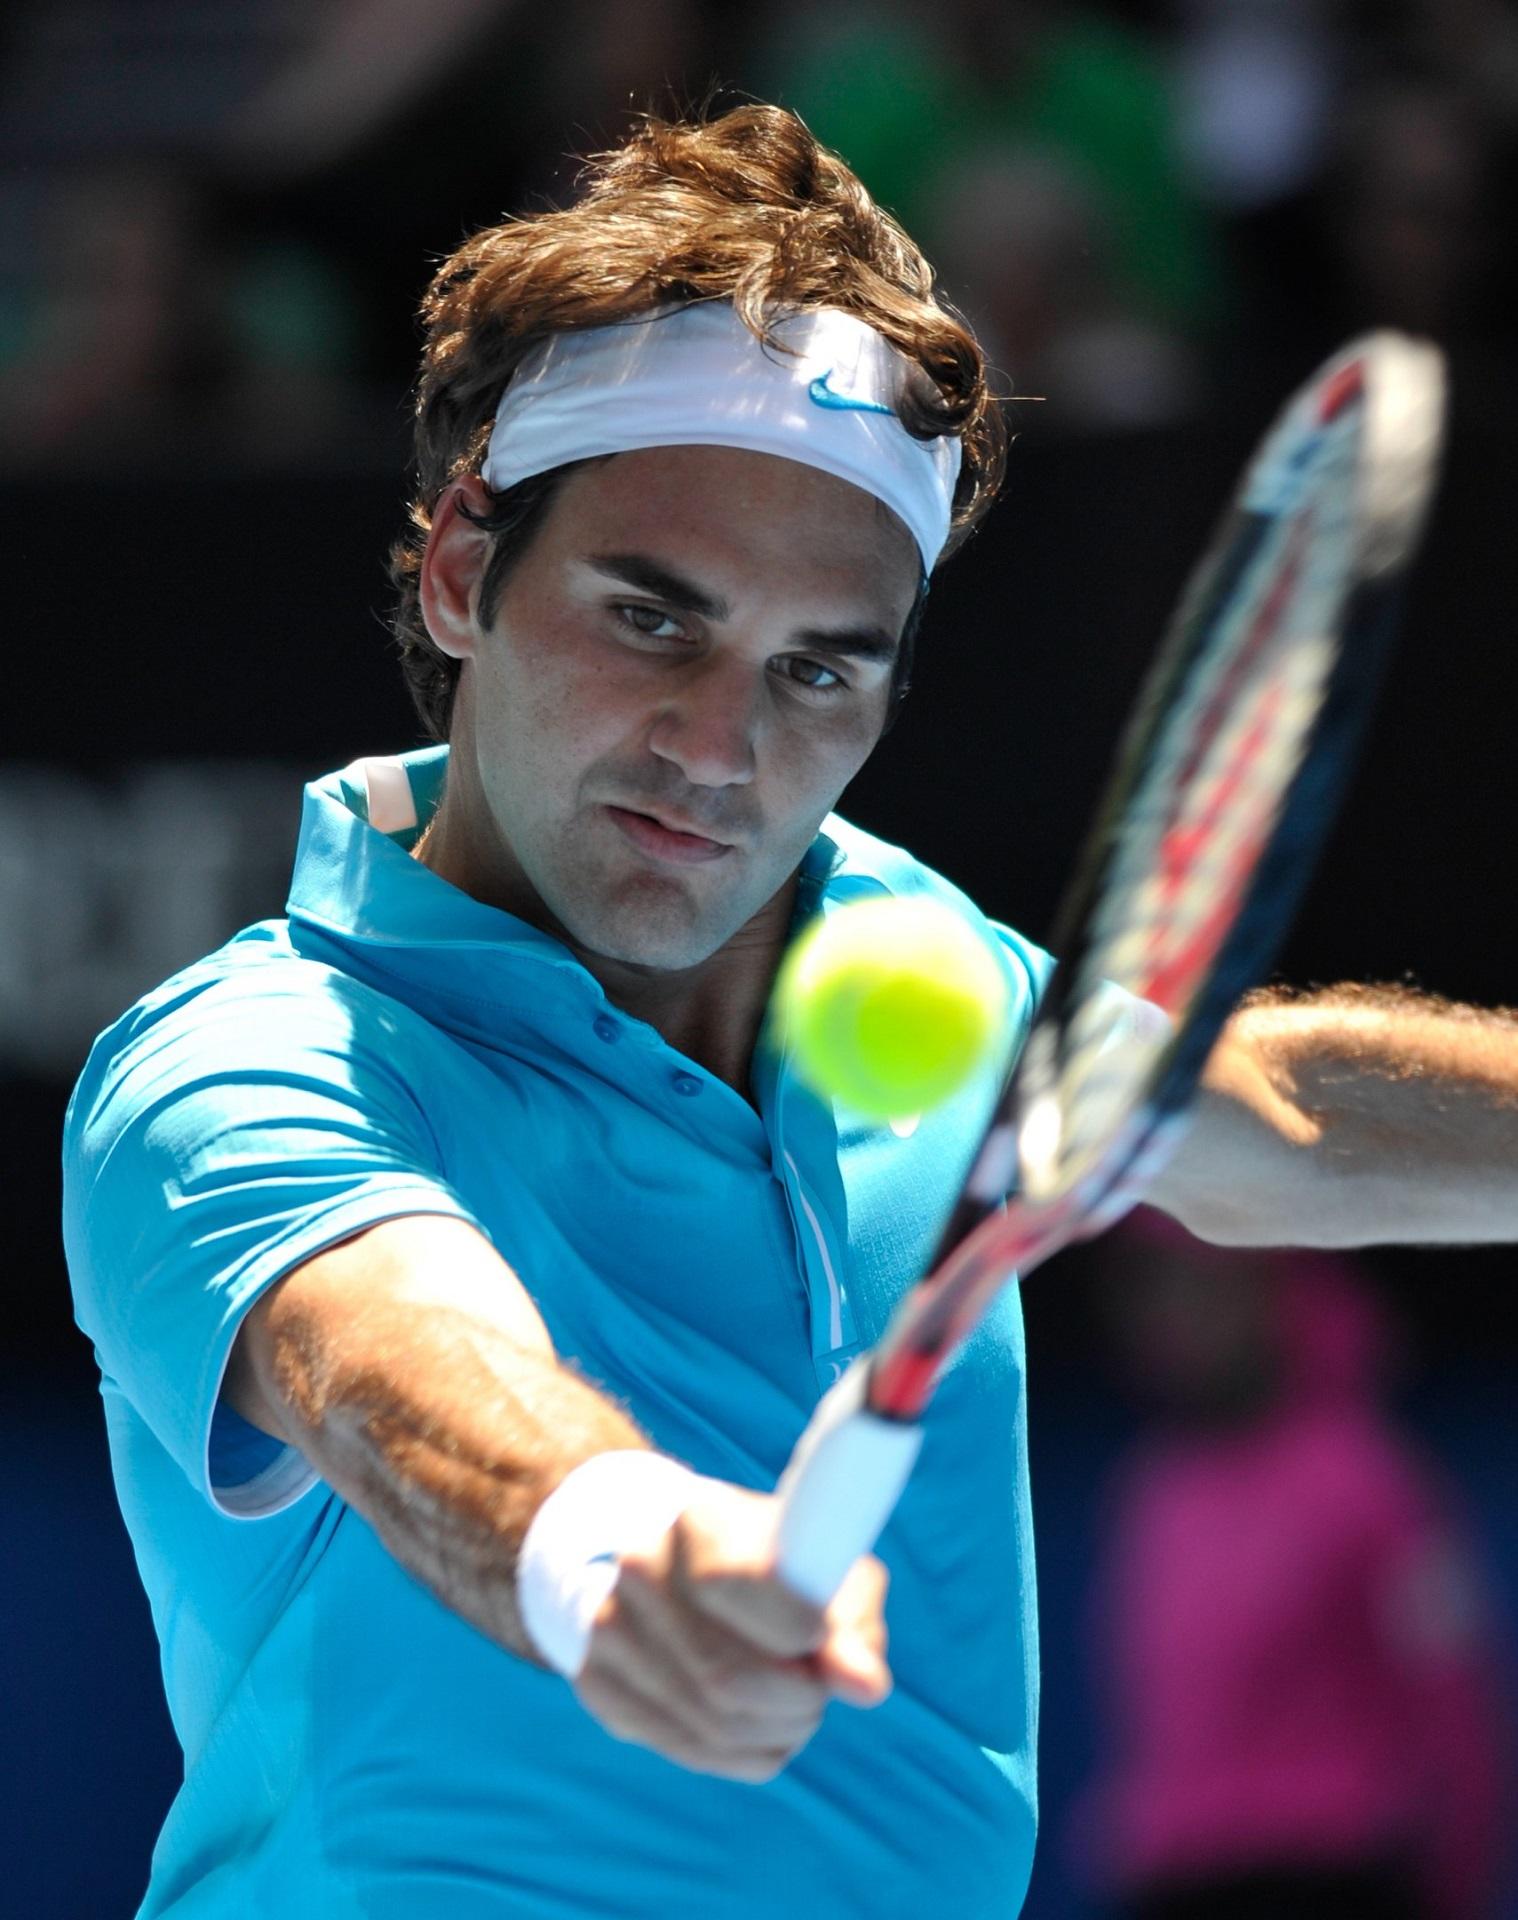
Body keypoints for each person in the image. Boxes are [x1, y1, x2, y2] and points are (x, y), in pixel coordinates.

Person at [62, 104, 1518, 1919]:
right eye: (652, 619)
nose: (720, 747)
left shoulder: (916, 971)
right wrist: (606, 1543)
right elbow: (390, 1363)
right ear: (459, 572)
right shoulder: (237, 1064)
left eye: (817, 670)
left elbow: (1274, 1117)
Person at [1073, 1214, 1511, 1920]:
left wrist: (1459, 1882)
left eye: (1209, 1288)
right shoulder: (1151, 1493)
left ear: (1277, 1293)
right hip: (1175, 1888)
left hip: (1329, 1881)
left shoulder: (1373, 1483)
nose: (1179, 1316)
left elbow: (1453, 1704)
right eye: (1157, 1289)